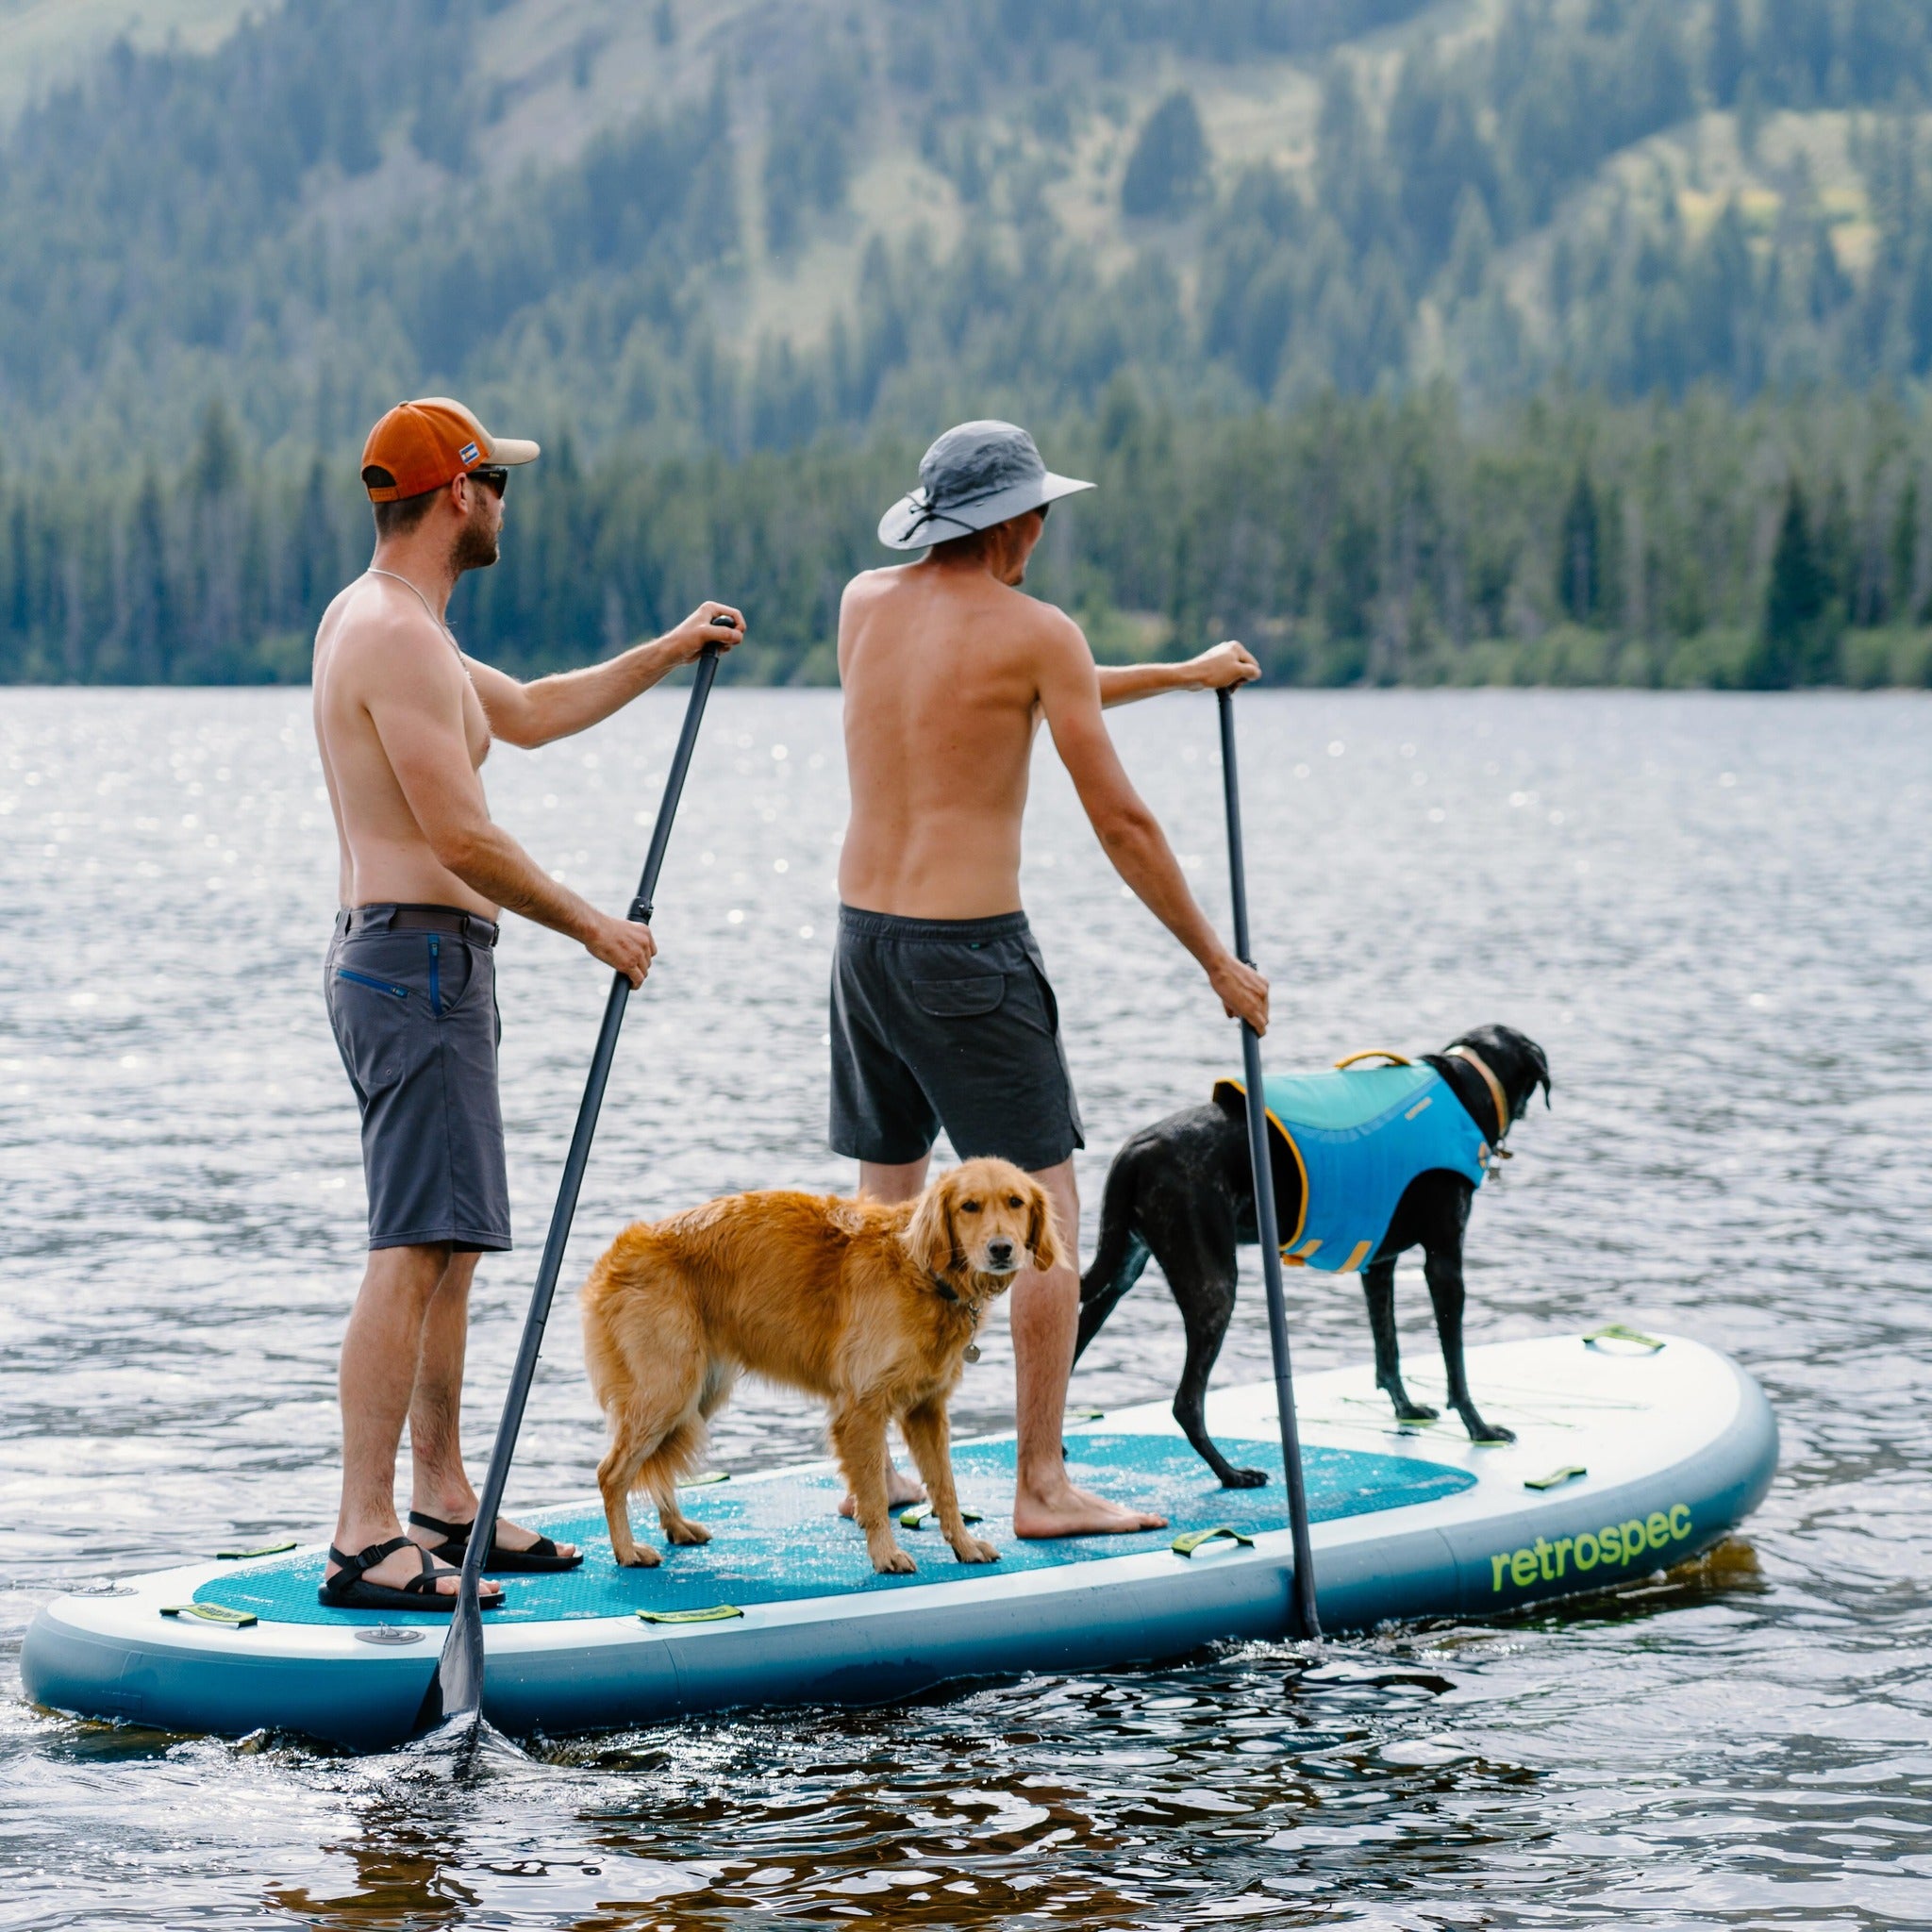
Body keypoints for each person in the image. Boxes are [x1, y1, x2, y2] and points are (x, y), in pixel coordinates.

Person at [310, 396, 743, 1610]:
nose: (507, 502)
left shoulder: (404, 627)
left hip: (418, 963)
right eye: (498, 480)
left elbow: (536, 710)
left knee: (446, 1247)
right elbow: (457, 832)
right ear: (458, 492)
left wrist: (665, 650)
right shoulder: (394, 636)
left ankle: (442, 1497)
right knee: (411, 1245)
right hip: (416, 962)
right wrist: (596, 925)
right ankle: (362, 1531)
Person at [832, 419, 1270, 1539]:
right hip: (968, 958)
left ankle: (867, 1474)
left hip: (864, 944)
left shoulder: (863, 605)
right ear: (1015, 522)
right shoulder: (1038, 633)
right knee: (1045, 1218)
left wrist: (1177, 675)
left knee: (888, 1215)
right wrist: (1216, 959)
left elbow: (1007, 689)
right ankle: (1038, 1484)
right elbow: (1118, 816)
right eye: (1040, 515)